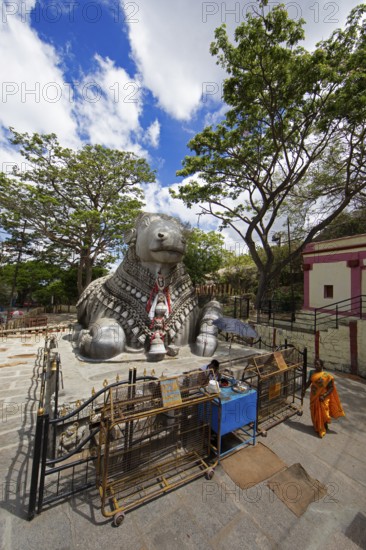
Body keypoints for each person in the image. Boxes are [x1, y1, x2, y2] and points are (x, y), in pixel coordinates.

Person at [303, 358, 345, 438]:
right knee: (314, 411)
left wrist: (324, 395)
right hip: (313, 396)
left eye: (317, 364)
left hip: (322, 398)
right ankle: (317, 426)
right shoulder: (312, 372)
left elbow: (331, 388)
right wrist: (303, 389)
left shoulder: (326, 376)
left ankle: (323, 426)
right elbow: (309, 383)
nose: (316, 366)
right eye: (315, 364)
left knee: (323, 412)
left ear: (322, 366)